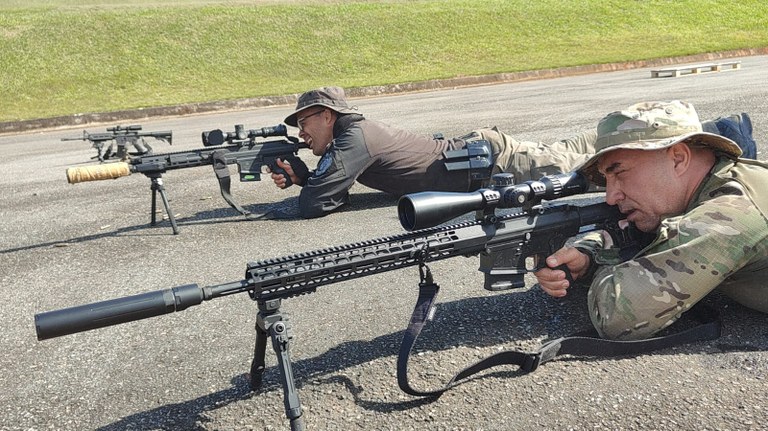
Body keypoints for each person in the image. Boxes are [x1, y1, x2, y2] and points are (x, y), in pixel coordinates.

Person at [272, 86, 757, 218]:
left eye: (304, 122)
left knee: (581, 162)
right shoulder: (351, 136)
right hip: (483, 157)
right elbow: (327, 185)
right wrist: (305, 174)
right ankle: (712, 131)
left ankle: (718, 133)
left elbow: (319, 202)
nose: (302, 131)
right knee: (582, 150)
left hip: (494, 162)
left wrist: (305, 183)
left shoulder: (352, 135)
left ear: (326, 113)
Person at [533, 100, 767, 341]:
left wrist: (609, 256)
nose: (611, 197)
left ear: (678, 158)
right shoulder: (707, 189)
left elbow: (617, 315)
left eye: (620, 172)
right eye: (606, 179)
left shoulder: (731, 211)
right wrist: (587, 256)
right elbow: (648, 234)